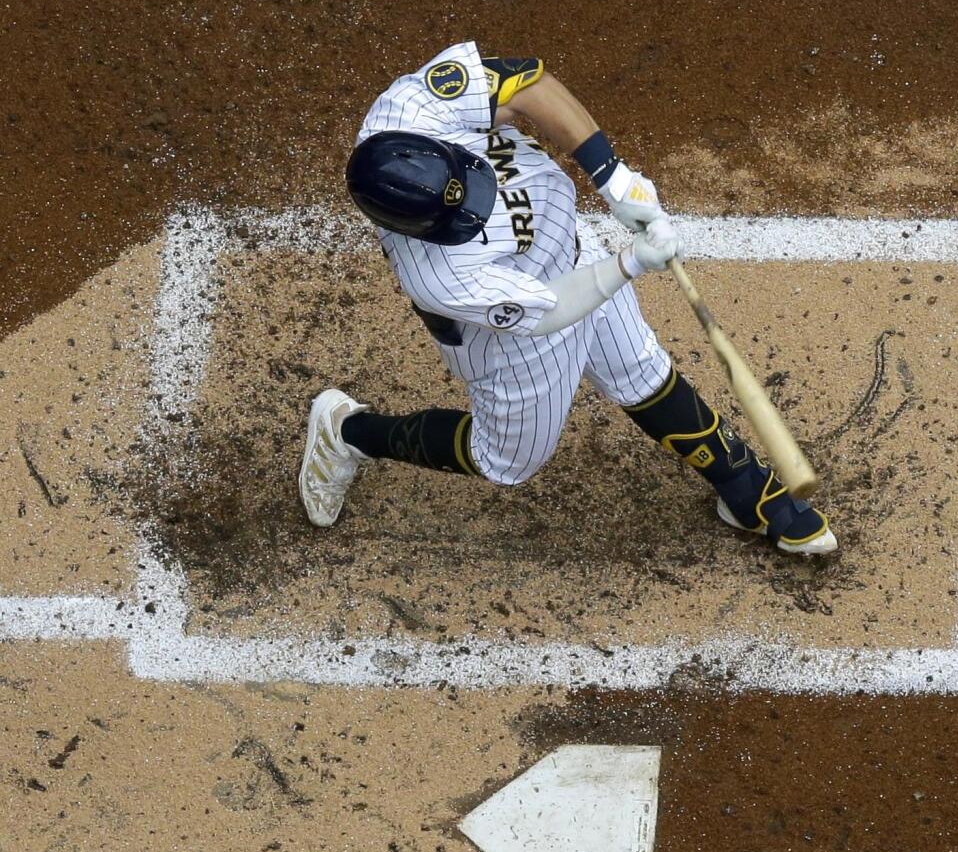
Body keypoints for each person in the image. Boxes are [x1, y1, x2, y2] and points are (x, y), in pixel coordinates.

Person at [298, 42, 836, 555]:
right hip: (517, 336)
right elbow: (552, 309)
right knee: (506, 461)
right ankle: (347, 431)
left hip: (572, 248)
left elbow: (527, 83)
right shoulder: (440, 278)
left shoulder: (411, 110)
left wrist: (613, 177)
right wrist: (629, 264)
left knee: (640, 370)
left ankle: (742, 487)